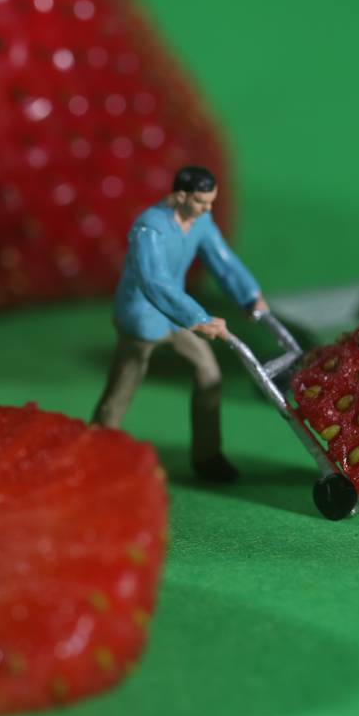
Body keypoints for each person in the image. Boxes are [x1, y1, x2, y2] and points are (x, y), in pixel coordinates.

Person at [92, 165, 266, 481]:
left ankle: (207, 455)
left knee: (208, 373)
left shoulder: (200, 221)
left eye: (211, 201)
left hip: (177, 316)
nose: (207, 208)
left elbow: (222, 259)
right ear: (180, 195)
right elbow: (154, 282)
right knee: (124, 385)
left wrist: (248, 295)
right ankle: (97, 449)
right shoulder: (151, 229)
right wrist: (197, 318)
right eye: (201, 201)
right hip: (142, 315)